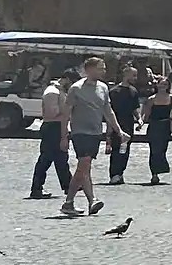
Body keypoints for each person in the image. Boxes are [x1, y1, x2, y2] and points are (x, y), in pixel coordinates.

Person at [60, 56, 121, 218]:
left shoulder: (103, 88)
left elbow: (108, 111)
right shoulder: (76, 88)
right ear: (89, 69)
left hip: (95, 132)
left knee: (85, 168)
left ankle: (83, 202)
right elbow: (66, 113)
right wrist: (64, 135)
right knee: (84, 164)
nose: (104, 71)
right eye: (101, 68)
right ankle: (73, 200)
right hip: (80, 132)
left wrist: (118, 130)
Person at [28, 71, 71, 201]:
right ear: (67, 79)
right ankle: (37, 188)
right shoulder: (52, 92)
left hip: (57, 126)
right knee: (46, 159)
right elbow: (52, 113)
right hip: (53, 127)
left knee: (61, 158)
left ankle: (69, 185)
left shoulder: (59, 90)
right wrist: (66, 113)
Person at [104, 64, 142, 186]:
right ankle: (114, 174)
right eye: (133, 75)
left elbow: (135, 108)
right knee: (116, 149)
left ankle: (120, 173)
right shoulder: (114, 92)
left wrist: (139, 119)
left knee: (124, 150)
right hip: (117, 124)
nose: (135, 78)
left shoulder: (133, 91)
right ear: (126, 75)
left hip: (129, 124)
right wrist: (110, 127)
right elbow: (109, 110)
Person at [142, 73, 172, 185]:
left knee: (162, 150)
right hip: (154, 126)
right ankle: (154, 174)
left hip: (165, 127)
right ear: (157, 85)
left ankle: (160, 169)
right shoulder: (151, 99)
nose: (163, 86)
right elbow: (146, 114)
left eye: (165, 84)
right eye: (161, 84)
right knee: (154, 150)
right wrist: (141, 123)